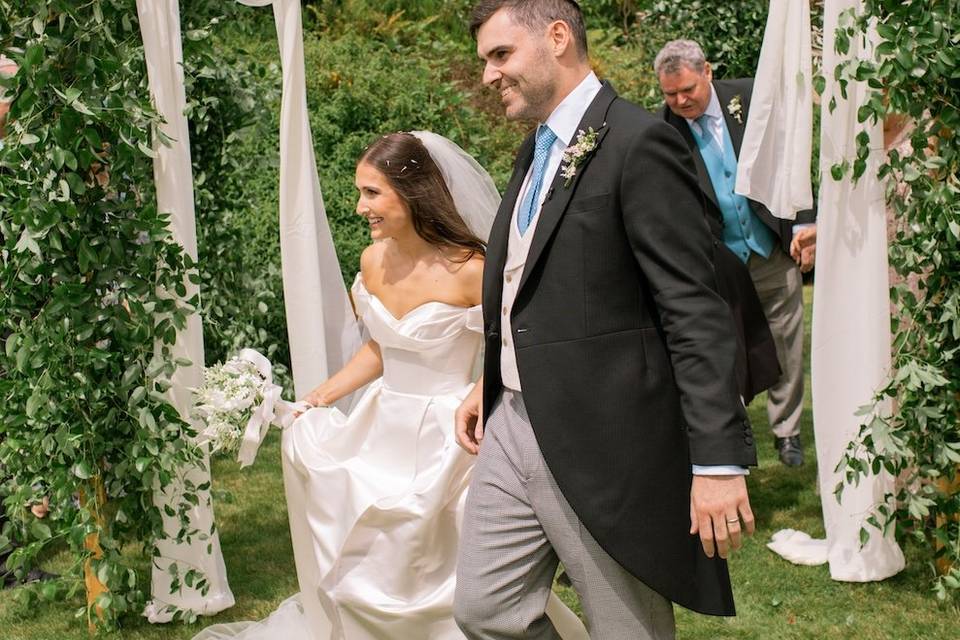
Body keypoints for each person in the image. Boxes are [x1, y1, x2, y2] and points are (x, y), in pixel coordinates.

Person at [191, 132, 587, 640]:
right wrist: (316, 399)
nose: (360, 207)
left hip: (450, 433)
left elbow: (511, 348)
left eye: (372, 193)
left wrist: (479, 394)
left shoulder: (472, 269)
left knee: (438, 565)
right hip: (380, 426)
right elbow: (380, 348)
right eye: (361, 193)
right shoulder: (372, 260)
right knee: (367, 562)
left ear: (413, 191)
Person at [453, 3, 757, 639]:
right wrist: (491, 377)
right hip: (511, 419)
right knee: (485, 612)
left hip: (605, 435)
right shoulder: (535, 152)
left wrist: (719, 463)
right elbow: (534, 284)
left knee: (626, 630)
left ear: (557, 38)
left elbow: (693, 310)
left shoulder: (638, 141)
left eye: (500, 55)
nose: (488, 75)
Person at [656, 39, 815, 467]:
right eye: (670, 94)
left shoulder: (750, 97)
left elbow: (789, 160)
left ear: (706, 71)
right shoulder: (662, 130)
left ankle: (788, 433)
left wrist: (802, 221)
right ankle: (731, 437)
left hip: (768, 245)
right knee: (722, 351)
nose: (680, 101)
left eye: (687, 89)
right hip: (718, 262)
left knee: (786, 343)